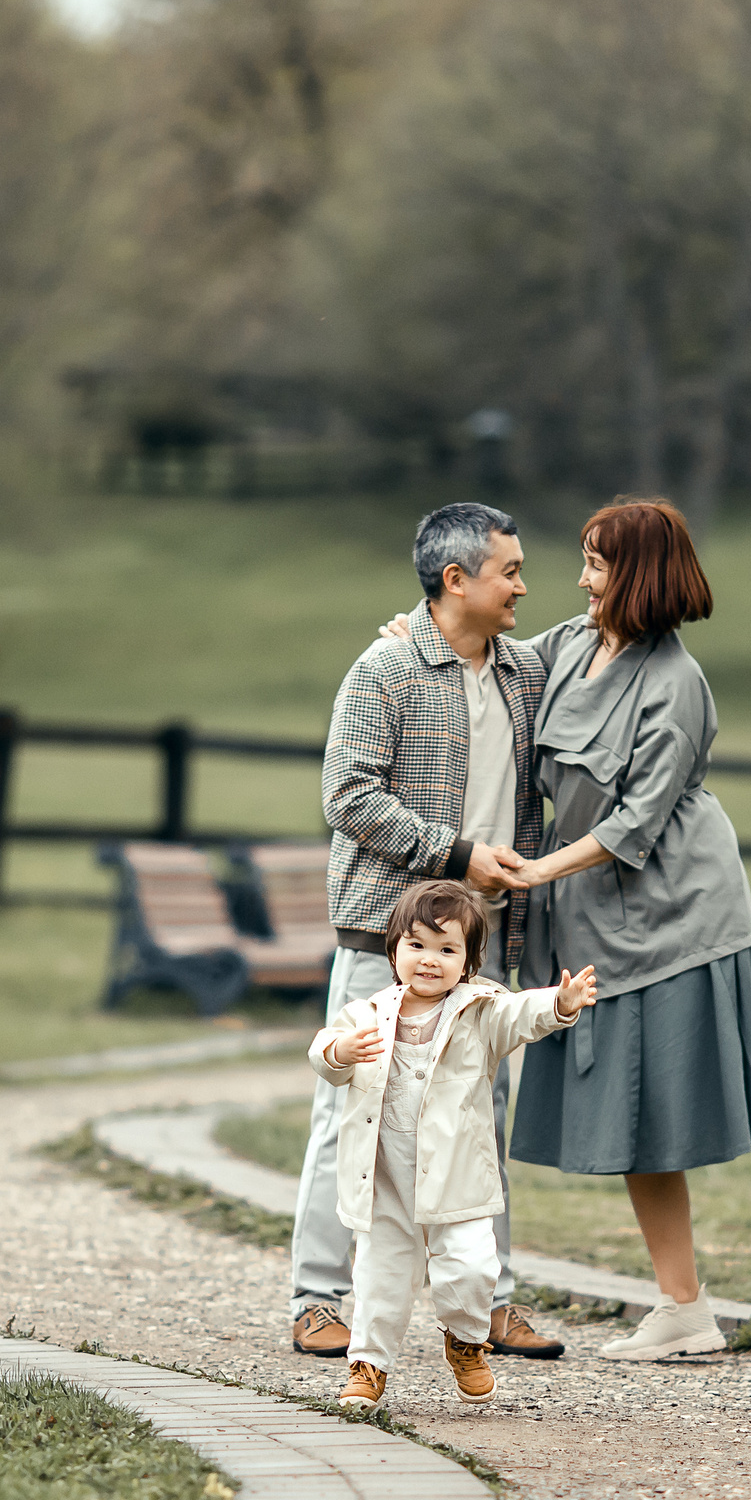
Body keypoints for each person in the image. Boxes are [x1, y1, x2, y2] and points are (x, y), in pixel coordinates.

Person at [384, 497, 751, 1362]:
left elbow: (636, 825)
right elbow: (492, 667)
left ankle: (687, 1299)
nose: (578, 580)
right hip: (593, 914)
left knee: (674, 1090)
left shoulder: (677, 684)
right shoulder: (569, 647)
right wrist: (423, 633)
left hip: (679, 906)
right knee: (648, 1098)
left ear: (637, 575)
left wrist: (534, 869)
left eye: (597, 565)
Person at [289, 502, 565, 1362]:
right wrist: (455, 854)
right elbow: (349, 796)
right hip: (384, 936)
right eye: (509, 570)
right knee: (350, 1113)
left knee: (479, 1116)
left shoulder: (525, 673)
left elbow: (602, 641)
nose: (523, 584)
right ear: (456, 580)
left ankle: (488, 1301)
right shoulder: (383, 670)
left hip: (484, 949)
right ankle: (316, 1298)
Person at [312, 881, 595, 1410]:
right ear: (394, 948)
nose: (429, 960)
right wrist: (340, 1051)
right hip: (386, 1181)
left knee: (471, 1269)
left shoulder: (480, 1011)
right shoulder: (366, 1014)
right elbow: (323, 1053)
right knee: (380, 1276)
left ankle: (465, 1340)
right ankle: (368, 1365)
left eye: (447, 950)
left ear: (468, 963)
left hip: (458, 1180)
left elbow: (522, 1015)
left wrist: (559, 1003)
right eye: (417, 945)